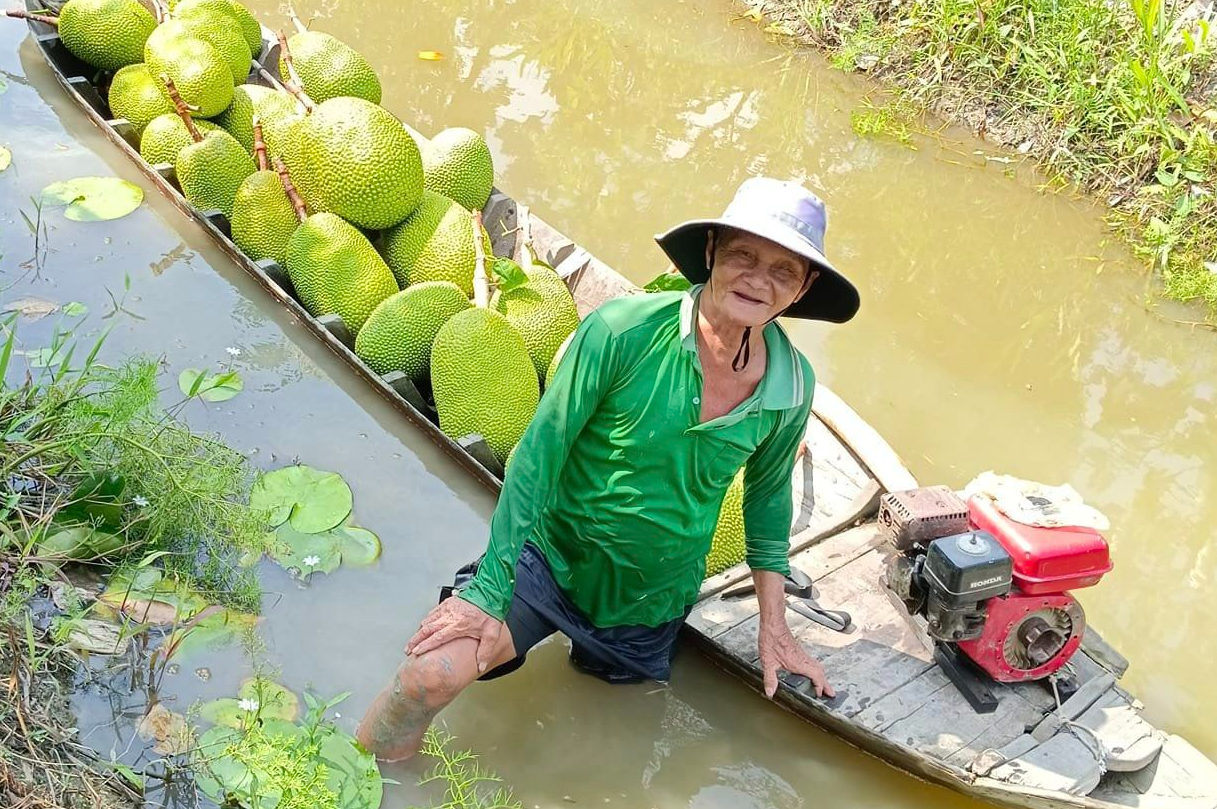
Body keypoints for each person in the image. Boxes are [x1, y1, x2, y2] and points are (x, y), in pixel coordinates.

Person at [356, 177, 861, 761]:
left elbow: (768, 503)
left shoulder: (792, 385)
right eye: (744, 254)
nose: (758, 279)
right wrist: (490, 591)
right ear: (710, 252)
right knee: (429, 676)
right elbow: (536, 458)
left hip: (650, 600)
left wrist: (775, 627)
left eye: (783, 270)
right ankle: (354, 783)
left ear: (804, 288)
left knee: (617, 737)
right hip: (550, 562)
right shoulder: (623, 332)